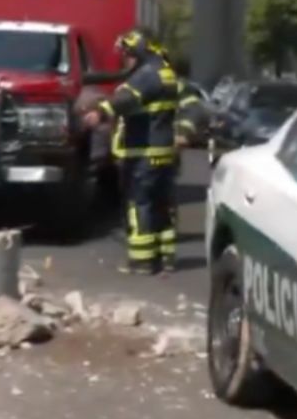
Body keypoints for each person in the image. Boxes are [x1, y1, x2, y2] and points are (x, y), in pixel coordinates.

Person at [83, 28, 205, 275]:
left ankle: (142, 261)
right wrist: (182, 133)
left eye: (127, 55)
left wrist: (101, 112)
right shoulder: (168, 77)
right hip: (163, 154)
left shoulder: (146, 77)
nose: (125, 61)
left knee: (140, 205)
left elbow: (127, 99)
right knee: (162, 205)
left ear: (137, 52)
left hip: (142, 154)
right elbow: (193, 109)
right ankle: (165, 258)